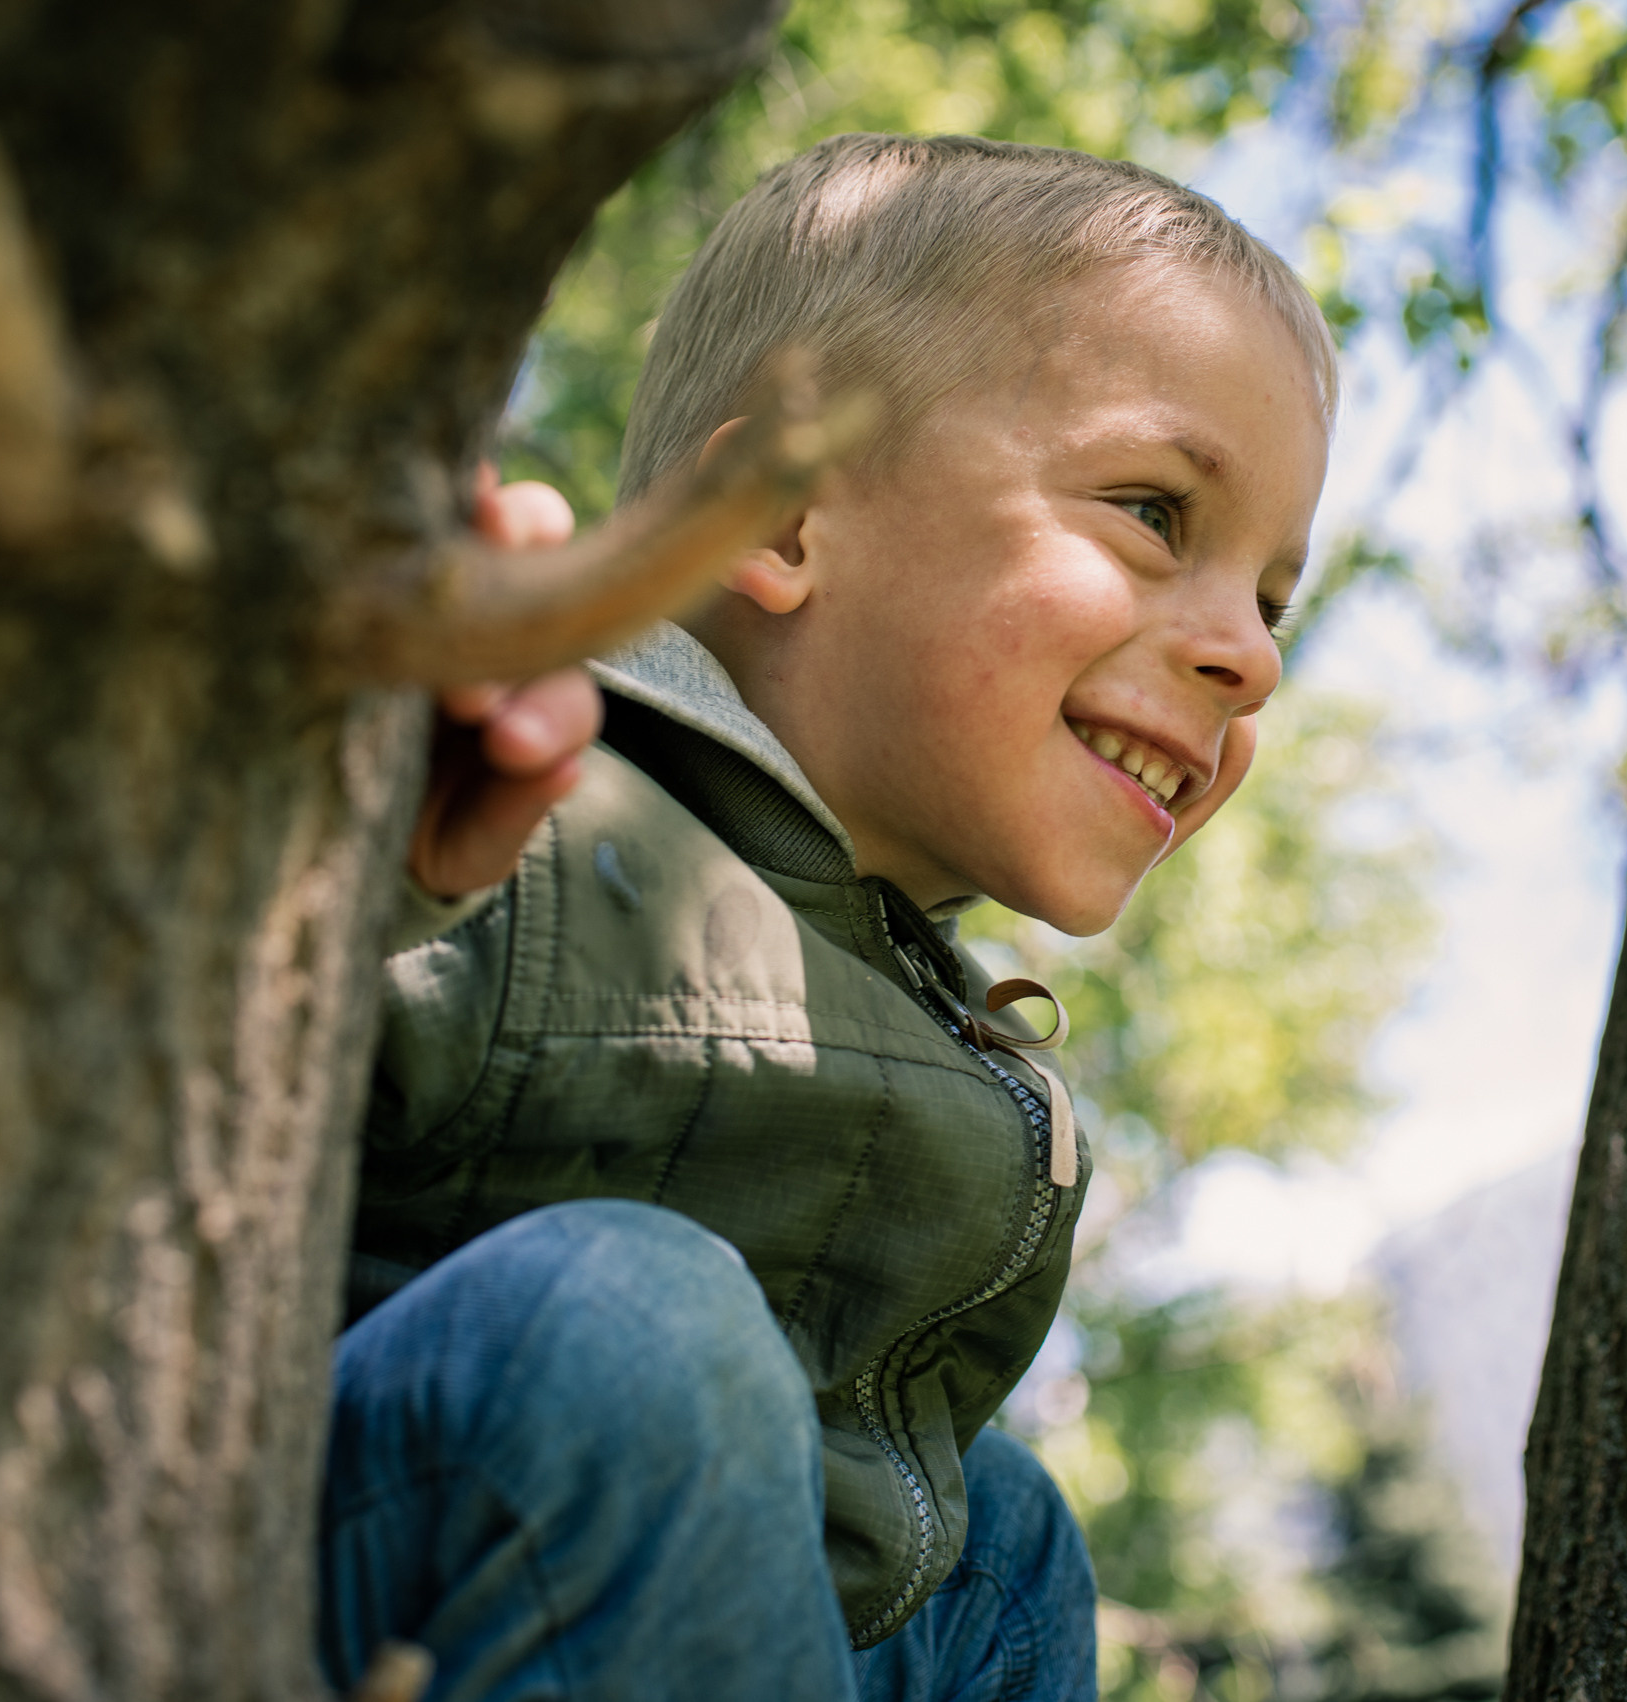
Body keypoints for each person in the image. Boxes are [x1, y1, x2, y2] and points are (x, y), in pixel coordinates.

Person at [317, 133, 1337, 1702]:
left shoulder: (917, 1010)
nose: (1251, 659)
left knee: (1002, 1540)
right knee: (632, 1319)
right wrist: (373, 814)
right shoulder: (537, 791)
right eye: (1150, 510)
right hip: (336, 1539)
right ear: (783, 519)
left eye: (1271, 599)